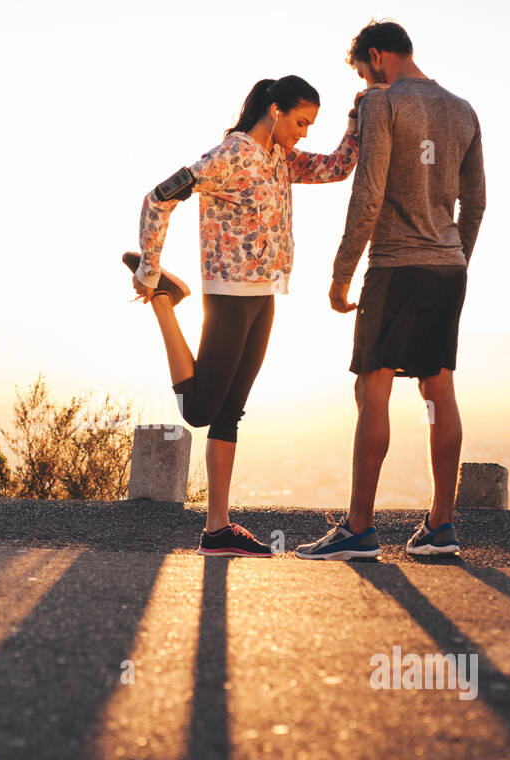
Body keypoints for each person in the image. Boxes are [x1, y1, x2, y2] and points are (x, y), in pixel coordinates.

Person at [127, 75, 368, 557]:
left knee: (230, 412)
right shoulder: (233, 153)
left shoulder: (281, 158)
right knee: (198, 411)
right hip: (229, 294)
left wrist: (357, 118)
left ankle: (218, 529)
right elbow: (159, 197)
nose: (303, 133)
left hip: (264, 296)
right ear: (275, 110)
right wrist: (150, 269)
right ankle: (163, 300)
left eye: (310, 125)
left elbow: (337, 168)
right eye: (300, 121)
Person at [296, 19, 486, 561]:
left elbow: (369, 192)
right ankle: (440, 527)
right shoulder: (464, 109)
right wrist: (456, 258)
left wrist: (340, 275)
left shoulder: (383, 103)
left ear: (377, 57)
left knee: (372, 389)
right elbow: (477, 202)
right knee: (439, 390)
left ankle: (358, 530)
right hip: (447, 269)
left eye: (362, 70)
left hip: (395, 266)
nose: (364, 81)